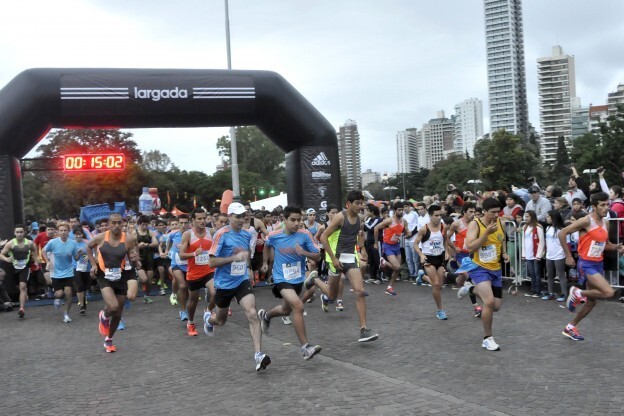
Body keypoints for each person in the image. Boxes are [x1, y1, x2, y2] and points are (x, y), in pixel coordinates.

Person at [203, 202, 271, 371]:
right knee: (221, 320)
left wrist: (247, 268)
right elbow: (211, 262)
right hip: (224, 284)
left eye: (244, 216)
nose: (242, 219)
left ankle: (258, 355)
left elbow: (246, 254)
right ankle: (208, 320)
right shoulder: (221, 234)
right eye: (238, 216)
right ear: (230, 217)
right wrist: (233, 258)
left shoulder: (247, 235)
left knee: (253, 313)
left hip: (241, 281)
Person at [306, 190, 378, 343]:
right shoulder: (340, 217)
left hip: (350, 258)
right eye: (357, 203)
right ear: (348, 204)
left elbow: (358, 238)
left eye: (362, 203)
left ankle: (364, 330)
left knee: (359, 291)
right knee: (331, 295)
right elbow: (324, 237)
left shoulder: (359, 219)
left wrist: (362, 249)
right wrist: (332, 258)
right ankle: (316, 279)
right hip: (335, 259)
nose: (360, 206)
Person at [257, 205, 322, 360]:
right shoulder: (274, 235)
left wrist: (304, 253)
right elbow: (266, 245)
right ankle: (306, 348)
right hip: (281, 278)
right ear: (284, 220)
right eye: (293, 220)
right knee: (298, 306)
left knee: (286, 310)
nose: (297, 223)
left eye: (299, 220)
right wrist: (265, 262)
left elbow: (318, 257)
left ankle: (266, 316)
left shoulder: (305, 235)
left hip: (297, 279)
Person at [557, 192, 624, 341]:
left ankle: (570, 327)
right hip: (586, 264)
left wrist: (616, 247)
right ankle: (578, 293)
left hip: (598, 263)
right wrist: (568, 256)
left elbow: (605, 245)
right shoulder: (586, 221)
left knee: (592, 302)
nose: (606, 208)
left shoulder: (606, 222)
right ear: (594, 207)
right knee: (608, 293)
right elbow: (562, 233)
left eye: (607, 204)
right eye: (602, 205)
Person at [458, 197, 509, 351]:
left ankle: (470, 290)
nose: (496, 215)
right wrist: (486, 233)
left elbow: (502, 239)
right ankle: (488, 338)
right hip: (479, 267)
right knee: (489, 302)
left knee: (497, 306)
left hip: (495, 268)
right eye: (492, 212)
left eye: (498, 212)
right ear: (484, 211)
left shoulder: (501, 222)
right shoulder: (476, 224)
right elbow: (471, 247)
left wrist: (505, 253)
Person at [88, 213, 140, 352]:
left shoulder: (128, 239)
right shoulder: (100, 237)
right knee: (113, 307)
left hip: (120, 274)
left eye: (119, 223)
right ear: (109, 224)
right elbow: (88, 247)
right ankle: (104, 315)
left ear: (123, 224)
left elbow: (133, 260)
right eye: (114, 223)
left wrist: (135, 260)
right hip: (104, 275)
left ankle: (109, 339)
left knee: (118, 313)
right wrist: (93, 264)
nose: (117, 226)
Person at [179, 208, 215, 337]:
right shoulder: (188, 235)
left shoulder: (211, 232)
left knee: (216, 291)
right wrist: (194, 253)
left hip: (209, 270)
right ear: (193, 220)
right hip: (194, 273)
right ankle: (191, 322)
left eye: (204, 218)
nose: (202, 221)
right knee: (193, 301)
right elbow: (181, 255)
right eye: (199, 218)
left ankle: (208, 310)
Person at [413, 204, 449, 320]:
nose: (439, 217)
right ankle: (440, 310)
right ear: (430, 216)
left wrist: (447, 252)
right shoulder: (424, 229)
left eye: (440, 215)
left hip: (440, 257)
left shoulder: (443, 227)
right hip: (428, 258)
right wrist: (421, 255)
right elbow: (415, 244)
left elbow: (446, 240)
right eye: (436, 215)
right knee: (436, 284)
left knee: (439, 286)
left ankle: (422, 277)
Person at [42, 222, 81, 323]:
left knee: (68, 293)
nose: (63, 232)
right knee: (59, 294)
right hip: (56, 272)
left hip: (68, 271)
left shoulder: (72, 243)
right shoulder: (53, 242)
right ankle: (57, 298)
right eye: (61, 230)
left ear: (68, 232)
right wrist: (48, 261)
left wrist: (79, 254)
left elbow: (76, 259)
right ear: (58, 232)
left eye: (65, 230)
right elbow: (43, 251)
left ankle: (66, 314)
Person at [447, 203, 482, 317]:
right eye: (470, 212)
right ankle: (476, 308)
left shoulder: (476, 223)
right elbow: (446, 237)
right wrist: (453, 247)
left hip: (473, 255)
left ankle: (447, 275)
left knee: (460, 281)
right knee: (472, 279)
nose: (473, 214)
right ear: (464, 212)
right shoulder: (457, 224)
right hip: (461, 256)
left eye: (474, 212)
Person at [0, 224, 37, 319]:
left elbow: (34, 249)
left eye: (21, 232)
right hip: (14, 268)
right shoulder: (10, 243)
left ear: (24, 233)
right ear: (14, 233)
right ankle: (25, 293)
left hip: (25, 267)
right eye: (17, 232)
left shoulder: (29, 243)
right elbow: (1, 254)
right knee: (19, 287)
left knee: (22, 286)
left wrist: (36, 261)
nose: (19, 234)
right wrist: (7, 259)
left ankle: (21, 309)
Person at [373, 201, 407, 296]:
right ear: (395, 211)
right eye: (399, 210)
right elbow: (376, 228)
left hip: (396, 245)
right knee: (397, 267)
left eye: (402, 210)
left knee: (397, 269)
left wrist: (407, 234)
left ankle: (389, 287)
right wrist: (376, 243)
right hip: (387, 246)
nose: (401, 212)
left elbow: (407, 231)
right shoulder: (389, 220)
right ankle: (384, 262)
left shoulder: (404, 221)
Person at [543, 211, 567, 302]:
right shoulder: (548, 228)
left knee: (561, 274)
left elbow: (564, 243)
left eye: (548, 217)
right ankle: (550, 293)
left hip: (559, 254)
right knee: (549, 275)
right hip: (549, 255)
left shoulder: (561, 230)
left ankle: (564, 293)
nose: (547, 218)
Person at [522, 210, 545, 297]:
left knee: (537, 273)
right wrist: (523, 254)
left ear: (532, 217)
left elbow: (541, 242)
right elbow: (523, 242)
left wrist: (539, 255)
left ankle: (538, 291)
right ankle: (533, 290)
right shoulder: (524, 227)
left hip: (535, 254)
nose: (526, 218)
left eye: (527, 216)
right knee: (532, 273)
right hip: (528, 254)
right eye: (525, 216)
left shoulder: (538, 227)